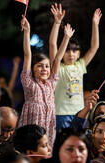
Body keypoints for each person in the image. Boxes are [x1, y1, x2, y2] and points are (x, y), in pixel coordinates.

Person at [18, 16, 74, 147]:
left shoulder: (52, 82)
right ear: (32, 68)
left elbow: (58, 57)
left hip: (48, 130)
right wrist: (27, 31)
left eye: (47, 66)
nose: (44, 69)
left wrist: (66, 37)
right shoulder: (28, 82)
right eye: (39, 66)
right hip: (31, 130)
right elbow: (27, 54)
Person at [49, 3, 102, 131]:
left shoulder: (80, 66)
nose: (71, 54)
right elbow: (52, 44)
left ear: (79, 54)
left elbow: (94, 47)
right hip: (61, 113)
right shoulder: (57, 67)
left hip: (80, 111)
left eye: (74, 51)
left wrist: (95, 24)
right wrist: (57, 22)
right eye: (67, 51)